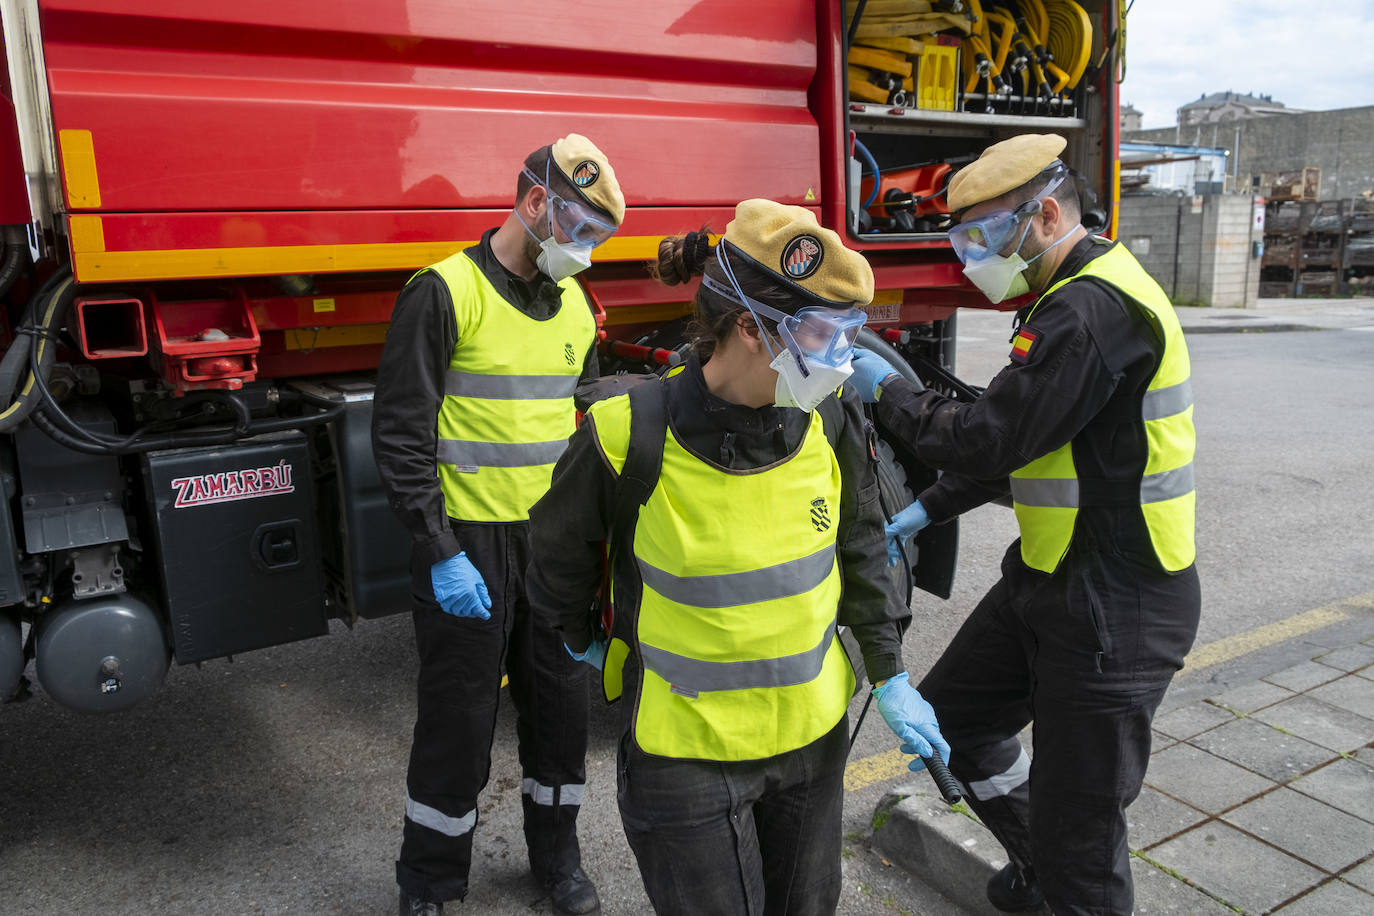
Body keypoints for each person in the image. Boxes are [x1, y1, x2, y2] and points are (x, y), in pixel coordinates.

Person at [524, 199, 950, 916]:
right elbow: (556, 564)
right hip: (684, 760)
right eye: (825, 333)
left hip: (813, 745)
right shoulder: (626, 434)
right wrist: (588, 643)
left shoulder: (833, 414)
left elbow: (862, 546)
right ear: (751, 328)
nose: (842, 358)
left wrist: (891, 672)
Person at [848, 134, 1201, 916]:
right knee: (958, 727)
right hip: (1052, 576)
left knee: (1085, 838)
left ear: (1044, 215)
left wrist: (886, 394)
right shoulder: (1064, 295)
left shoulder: (1089, 310)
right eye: (960, 237)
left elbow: (988, 437)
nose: (970, 255)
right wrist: (927, 507)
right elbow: (1036, 443)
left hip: (1119, 601)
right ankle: (1041, 866)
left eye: (982, 236)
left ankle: (1063, 879)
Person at [372, 134, 625, 916]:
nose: (584, 251)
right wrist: (438, 550)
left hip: (550, 547)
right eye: (578, 229)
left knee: (561, 715)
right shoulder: (444, 291)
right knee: (457, 723)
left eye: (596, 238)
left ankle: (558, 863)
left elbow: (582, 422)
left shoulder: (576, 302)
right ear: (534, 202)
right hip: (468, 546)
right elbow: (402, 436)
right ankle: (430, 883)